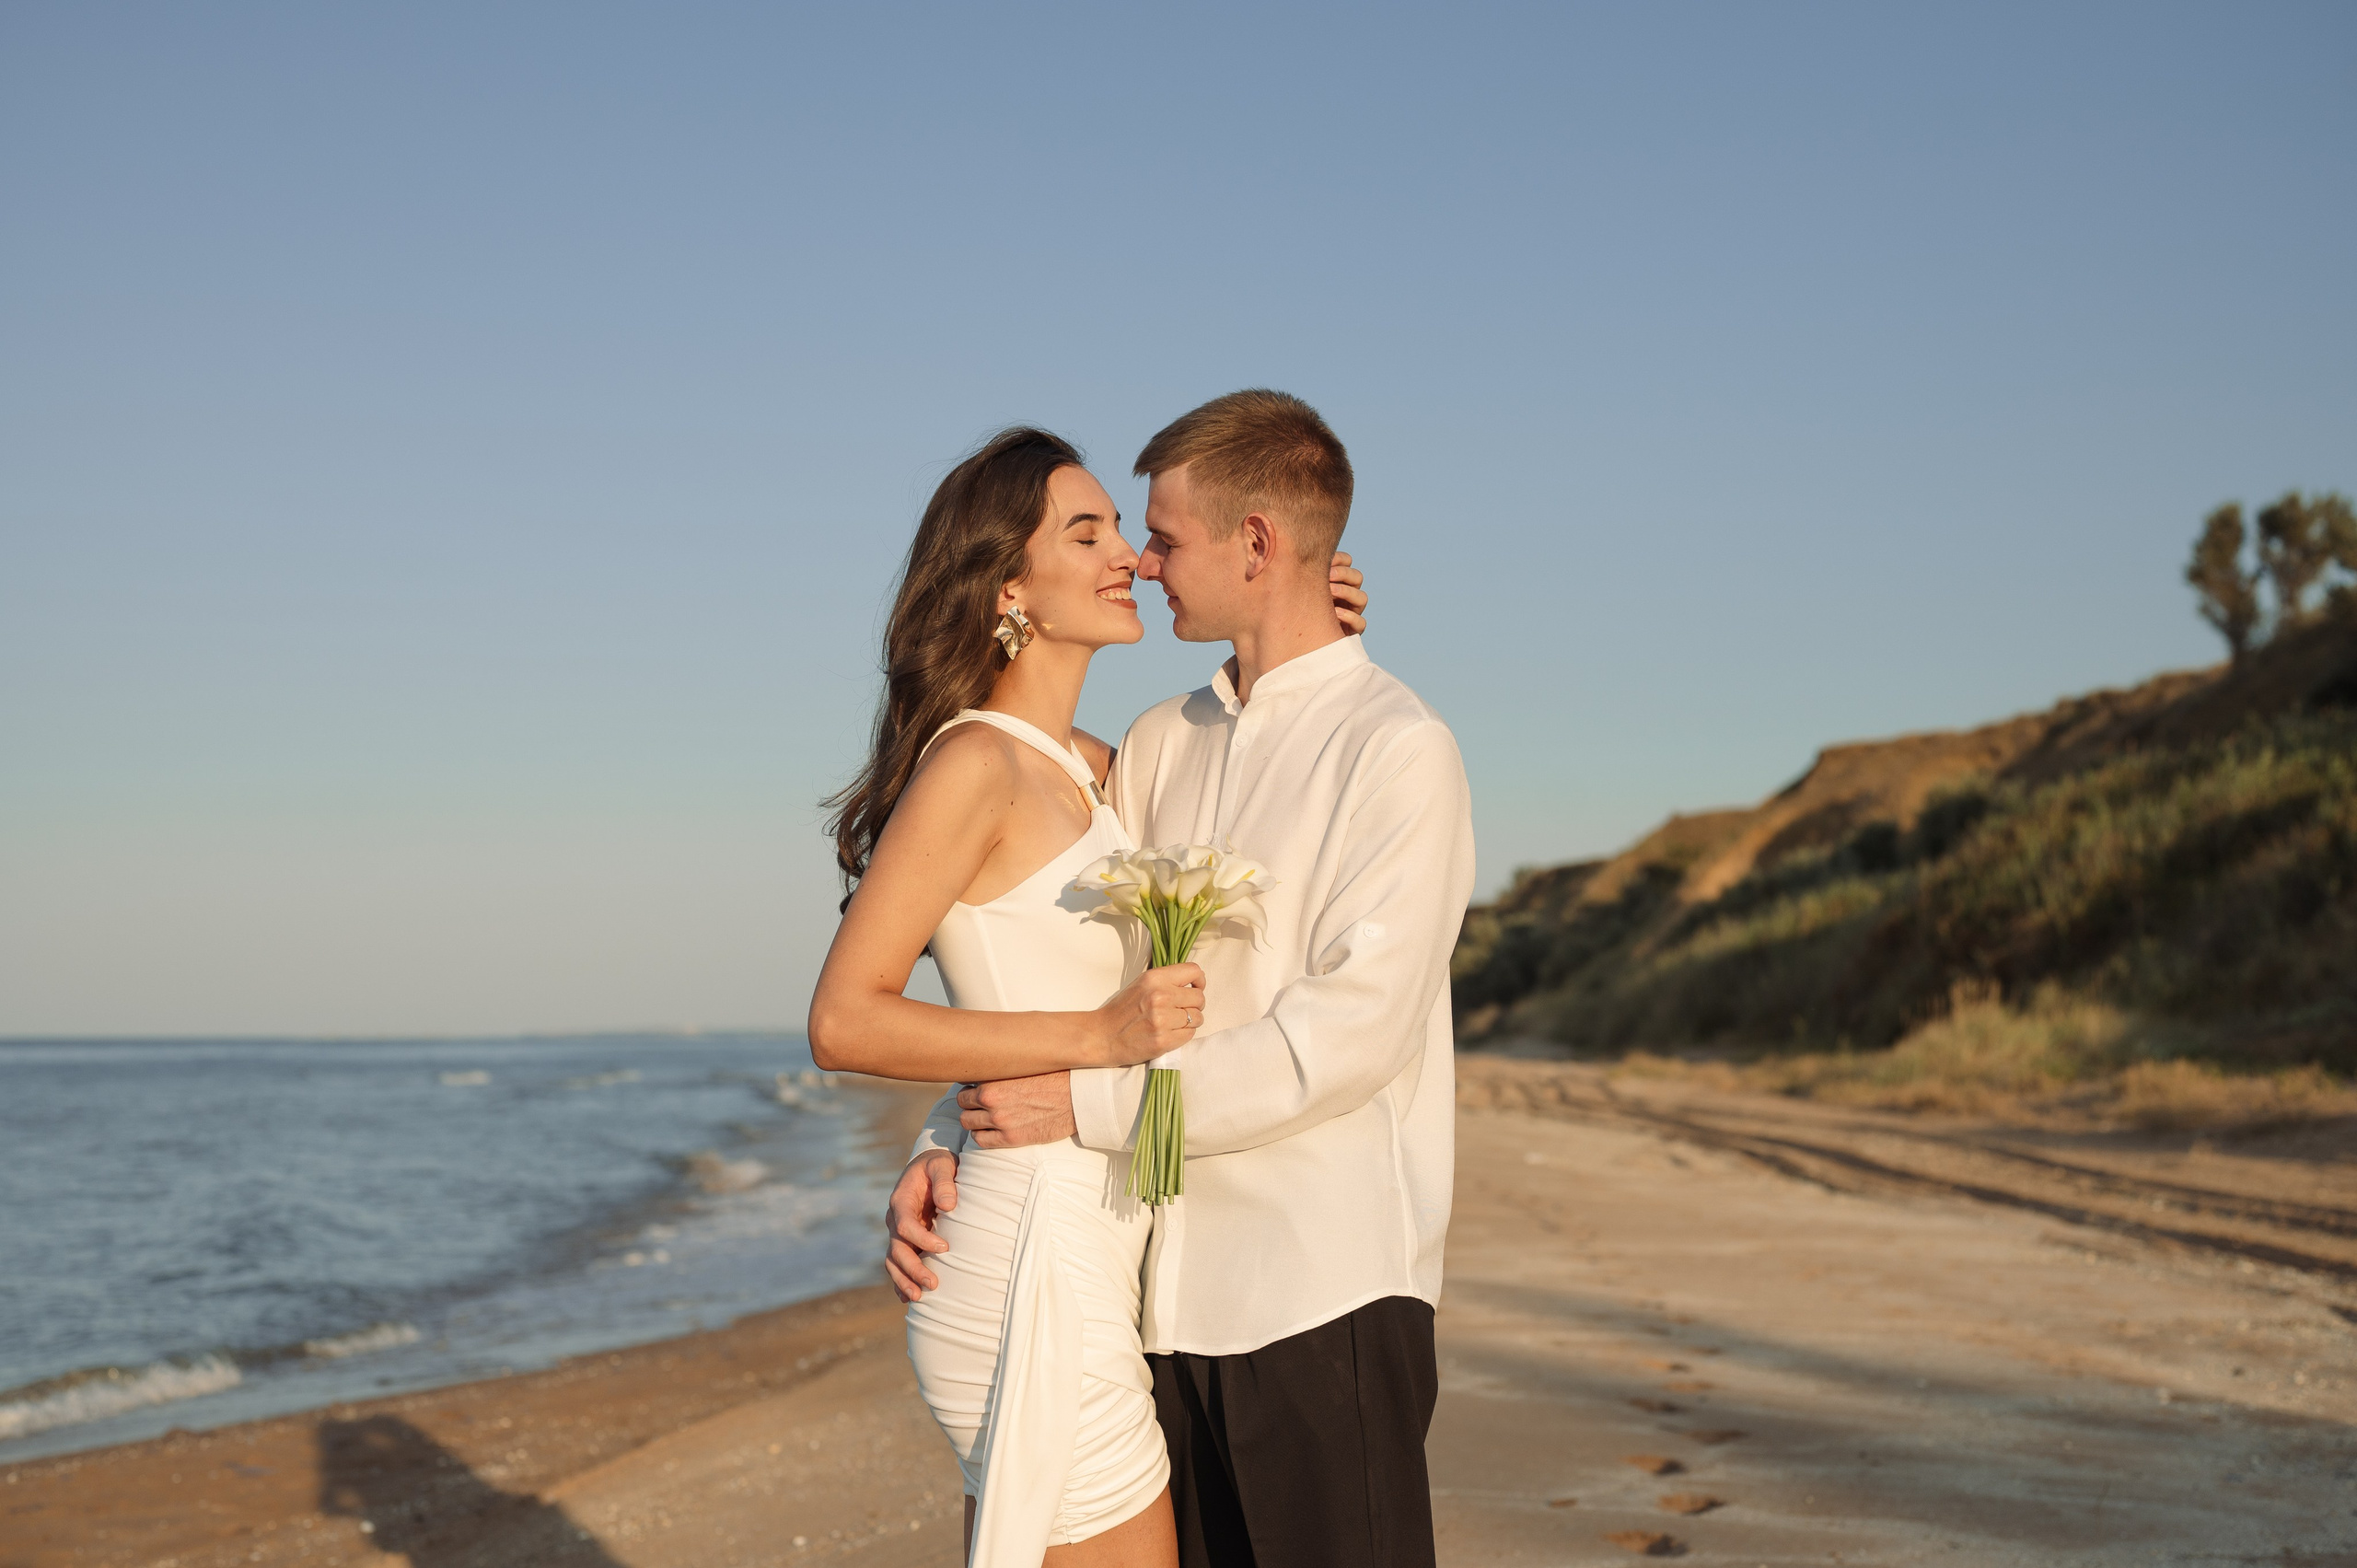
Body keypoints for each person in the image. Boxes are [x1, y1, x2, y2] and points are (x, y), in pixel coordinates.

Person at [888, 391, 1476, 1568]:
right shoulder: (1157, 743)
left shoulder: (1395, 746)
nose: (1143, 563)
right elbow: (1045, 959)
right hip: (1154, 1294)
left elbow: (1341, 1040)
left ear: (1256, 543)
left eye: (1161, 536)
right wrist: (948, 1135)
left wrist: (1084, 1104)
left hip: (1322, 1296)